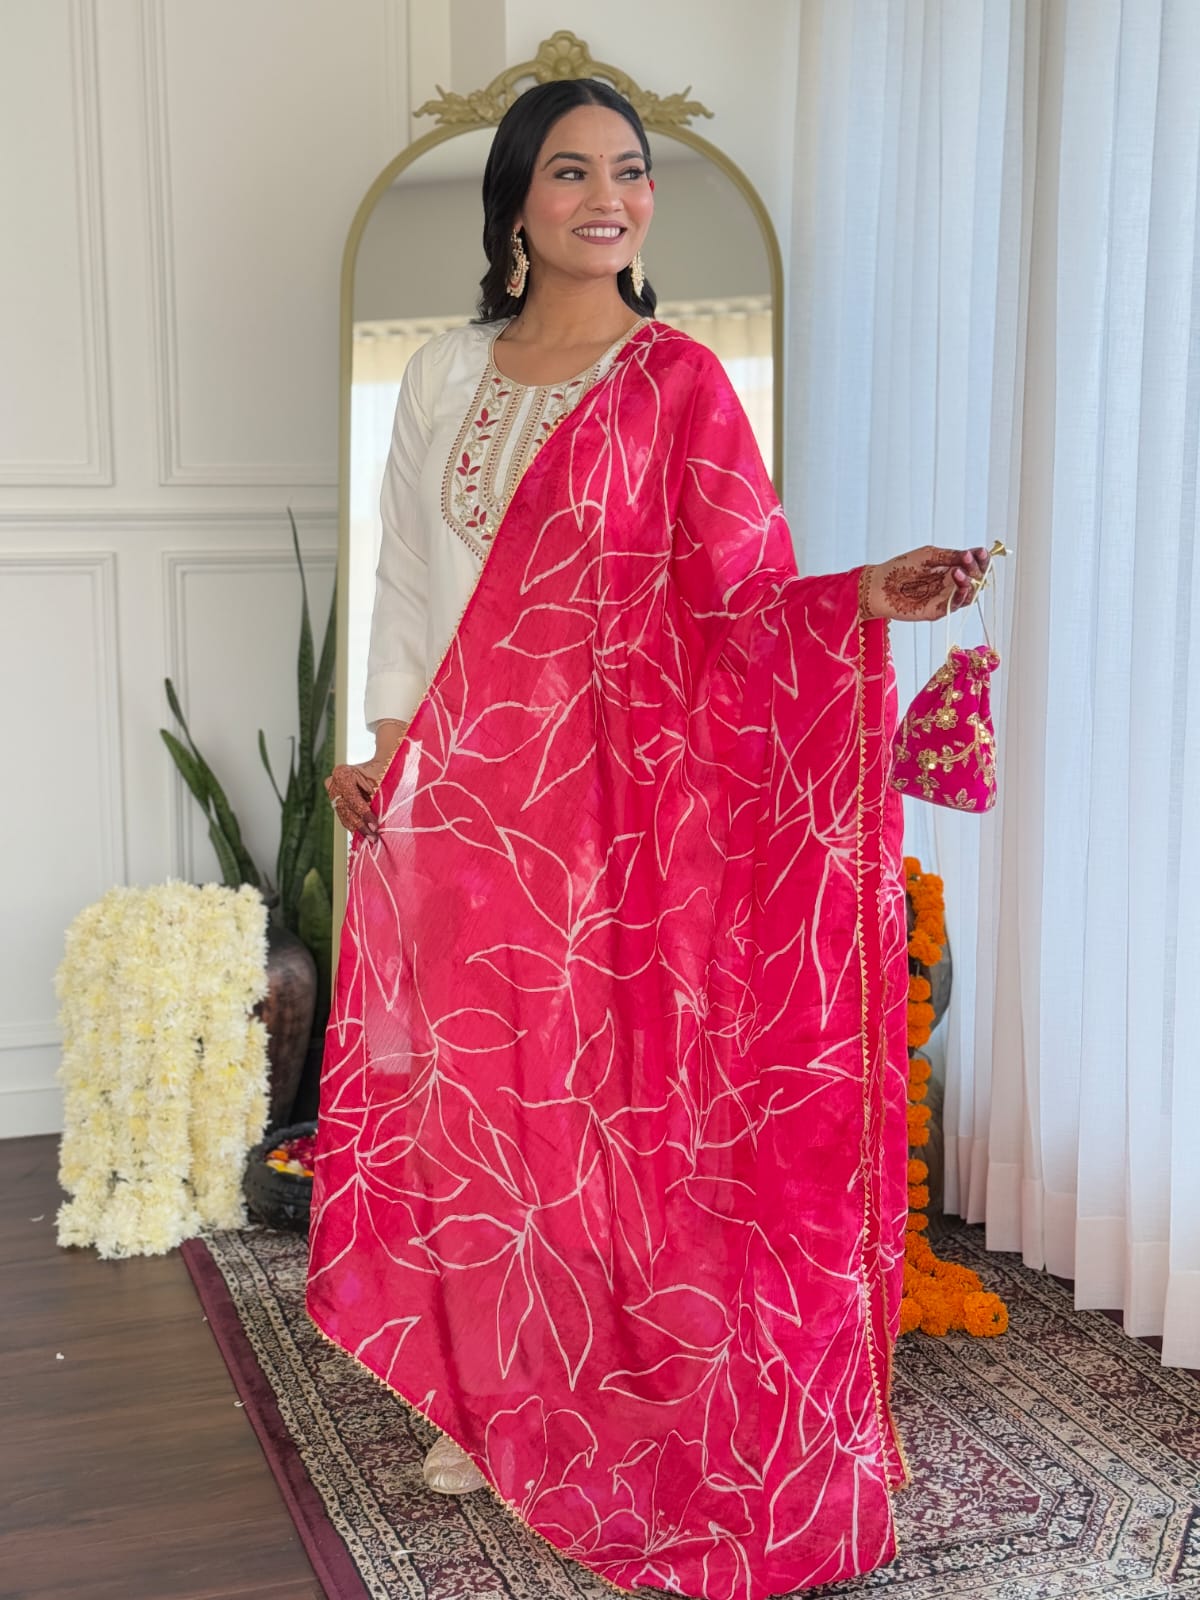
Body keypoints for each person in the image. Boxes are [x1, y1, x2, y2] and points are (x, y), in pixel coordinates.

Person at [310, 77, 990, 1600]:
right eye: (571, 173)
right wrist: (384, 749)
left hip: (625, 812)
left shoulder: (679, 381)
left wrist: (866, 596)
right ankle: (490, 1400)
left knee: (609, 1104)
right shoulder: (441, 376)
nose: (606, 198)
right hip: (473, 795)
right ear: (516, 204)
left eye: (630, 173)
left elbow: (740, 608)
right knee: (484, 1107)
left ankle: (604, 1386)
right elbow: (413, 576)